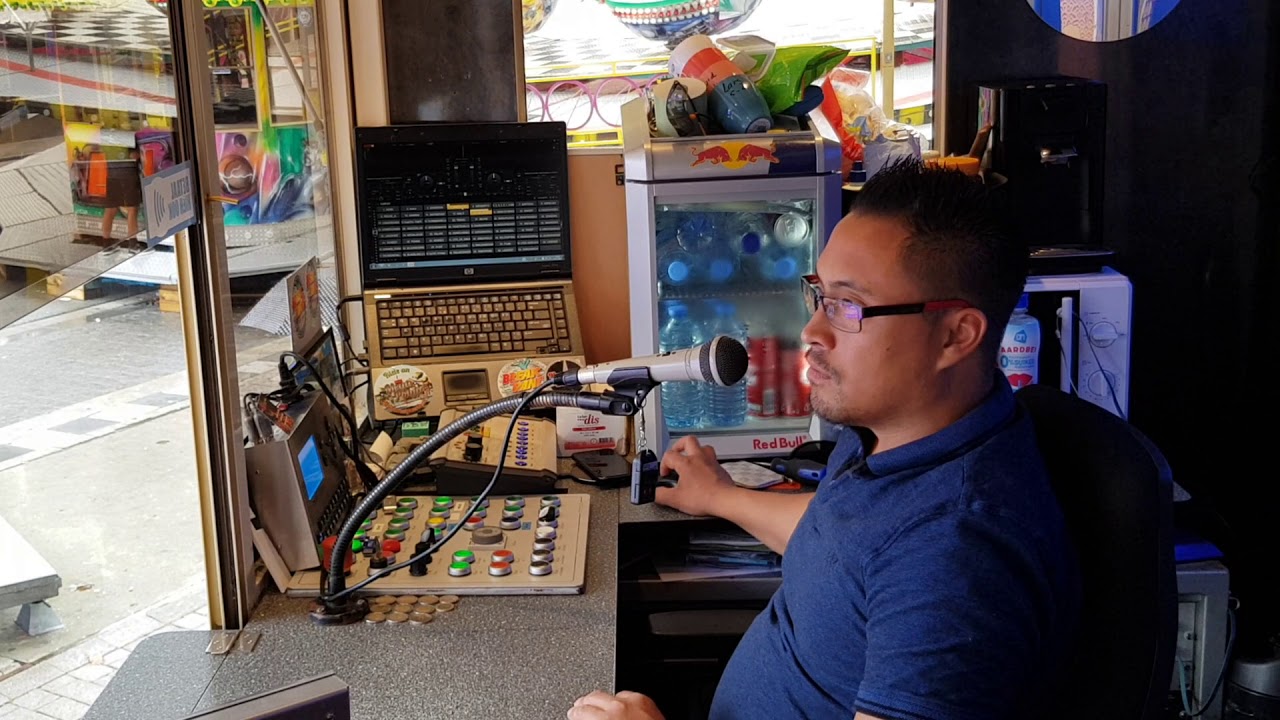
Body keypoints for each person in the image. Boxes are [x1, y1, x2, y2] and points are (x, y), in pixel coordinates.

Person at [569, 161, 1081, 720]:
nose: (811, 331)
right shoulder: (897, 436)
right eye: (819, 295)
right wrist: (718, 496)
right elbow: (842, 542)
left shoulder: (954, 557)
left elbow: (900, 558)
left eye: (847, 307)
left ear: (956, 335)